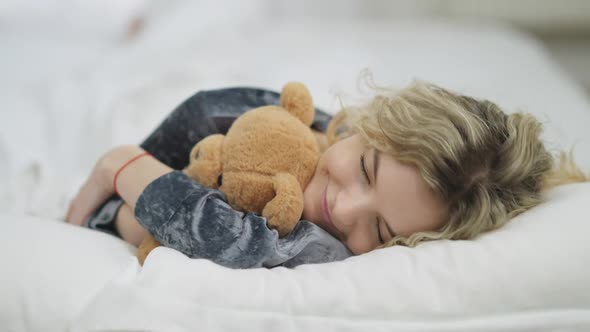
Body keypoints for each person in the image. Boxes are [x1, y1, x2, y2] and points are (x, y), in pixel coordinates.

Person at [66, 80, 588, 268]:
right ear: (369, 122)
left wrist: (123, 170)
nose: (341, 210)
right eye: (364, 167)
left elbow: (235, 240)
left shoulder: (326, 245)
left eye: (381, 230)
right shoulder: (246, 116)